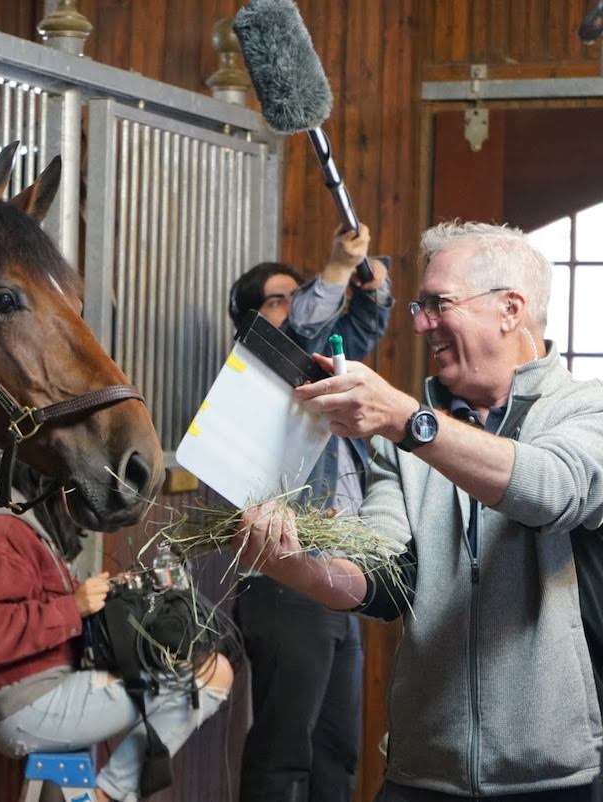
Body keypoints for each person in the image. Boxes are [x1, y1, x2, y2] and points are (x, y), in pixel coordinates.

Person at [234, 221, 603, 801]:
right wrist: (287, 564)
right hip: (423, 774)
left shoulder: (586, 410)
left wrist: (409, 421)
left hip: (557, 775)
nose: (420, 322)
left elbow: (551, 490)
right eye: (419, 304)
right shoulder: (399, 446)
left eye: (438, 304)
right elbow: (384, 579)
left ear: (510, 309)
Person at [0, 463, 235, 802]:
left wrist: (102, 596)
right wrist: (73, 607)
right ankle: (107, 795)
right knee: (210, 676)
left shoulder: (22, 528)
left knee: (192, 670)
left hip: (44, 689)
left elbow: (31, 604)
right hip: (26, 706)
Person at [228, 224, 393, 802]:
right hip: (284, 582)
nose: (294, 304)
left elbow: (355, 329)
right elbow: (300, 331)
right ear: (249, 319)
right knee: (284, 750)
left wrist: (370, 288)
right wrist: (333, 271)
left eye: (297, 292)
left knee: (337, 747)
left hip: (337, 581)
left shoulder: (316, 379)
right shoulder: (253, 375)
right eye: (279, 298)